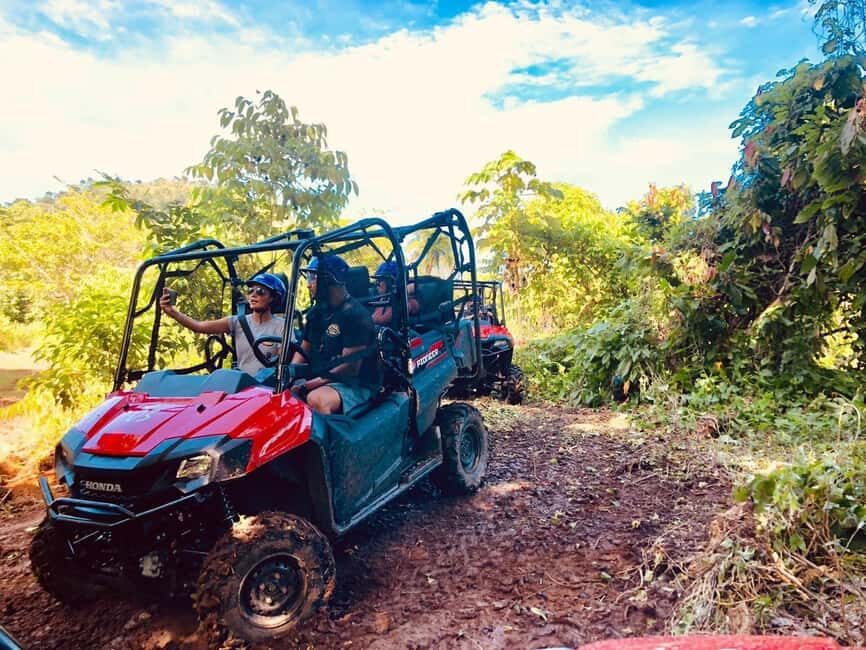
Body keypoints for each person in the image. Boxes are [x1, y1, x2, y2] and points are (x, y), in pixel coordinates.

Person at [291, 254, 379, 414]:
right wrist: (288, 374)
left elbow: (349, 369)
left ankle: (331, 439)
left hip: (354, 383)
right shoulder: (317, 313)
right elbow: (304, 349)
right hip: (323, 378)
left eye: (312, 278)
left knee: (316, 399)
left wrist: (305, 386)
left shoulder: (356, 315)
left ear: (328, 280)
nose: (309, 285)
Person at [159, 273, 286, 376]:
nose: (253, 295)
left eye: (260, 291)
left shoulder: (282, 326)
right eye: (250, 291)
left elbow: (284, 363)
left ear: (273, 298)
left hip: (268, 389)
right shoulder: (237, 322)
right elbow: (199, 326)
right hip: (241, 388)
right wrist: (172, 312)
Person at [371, 261, 419, 326]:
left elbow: (380, 320)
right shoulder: (384, 298)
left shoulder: (408, 302)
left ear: (393, 282)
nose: (376, 284)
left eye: (379, 281)